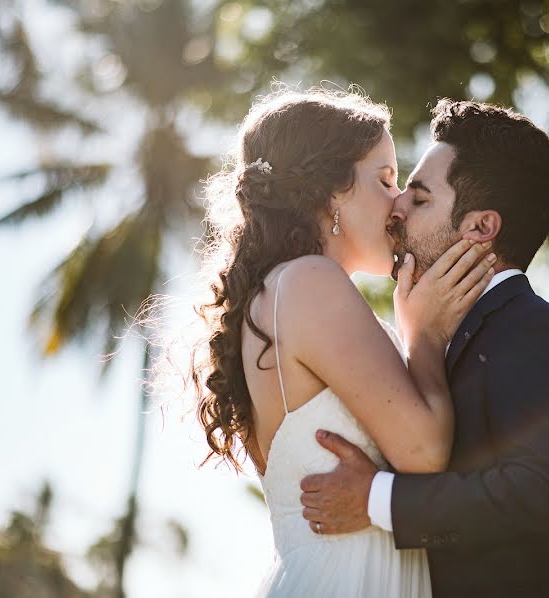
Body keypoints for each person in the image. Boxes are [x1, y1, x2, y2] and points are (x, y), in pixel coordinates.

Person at [189, 88, 495, 597]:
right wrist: (424, 333)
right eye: (384, 179)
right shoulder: (310, 282)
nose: (399, 203)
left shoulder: (284, 291)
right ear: (330, 193)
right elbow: (422, 450)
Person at [299, 99, 549, 597]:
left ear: (481, 228)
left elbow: (542, 495)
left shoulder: (538, 333)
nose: (396, 206)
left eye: (419, 199)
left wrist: (376, 499)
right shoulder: (436, 338)